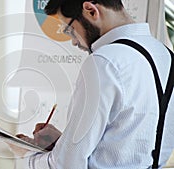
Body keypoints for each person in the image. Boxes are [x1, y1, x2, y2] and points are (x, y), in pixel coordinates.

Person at [10, 0, 174, 168]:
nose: (74, 42)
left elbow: (66, 165)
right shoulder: (166, 56)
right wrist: (63, 143)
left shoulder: (103, 62)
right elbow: (130, 144)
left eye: (70, 30)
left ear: (91, 11)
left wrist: (26, 153)